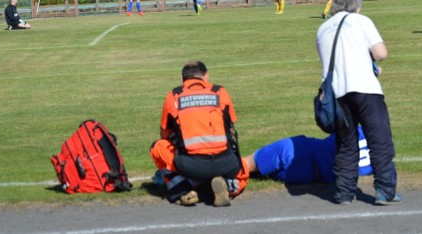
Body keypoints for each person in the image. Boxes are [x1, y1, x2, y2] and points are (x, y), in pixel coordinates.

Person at [315, 0, 400, 206]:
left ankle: (344, 192)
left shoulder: (322, 28)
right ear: (356, 5)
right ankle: (384, 190)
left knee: (345, 143)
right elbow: (381, 53)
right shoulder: (360, 21)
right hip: (364, 88)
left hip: (336, 94)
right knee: (379, 139)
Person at [150, 61, 248, 207]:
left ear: (182, 79)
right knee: (244, 171)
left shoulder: (173, 96)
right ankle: (228, 187)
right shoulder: (220, 92)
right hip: (226, 163)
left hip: (191, 166)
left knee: (157, 147)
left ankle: (184, 190)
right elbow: (231, 127)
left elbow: (165, 134)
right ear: (206, 76)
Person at [243, 126, 373, 184]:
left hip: (302, 149)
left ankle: (227, 175)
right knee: (258, 174)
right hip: (307, 175)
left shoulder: (356, 129)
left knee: (247, 164)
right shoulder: (377, 161)